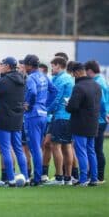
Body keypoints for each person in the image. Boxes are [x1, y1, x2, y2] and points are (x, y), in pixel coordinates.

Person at [0, 57, 28, 187]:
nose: (0, 66)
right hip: (18, 119)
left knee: (5, 149)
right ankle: (26, 178)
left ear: (7, 66)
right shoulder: (23, 79)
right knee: (18, 149)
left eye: (2, 64)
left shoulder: (3, 81)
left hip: (3, 118)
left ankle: (11, 179)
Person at [23, 54, 57, 186]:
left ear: (29, 66)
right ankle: (39, 175)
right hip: (43, 115)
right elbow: (54, 91)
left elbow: (32, 92)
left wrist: (28, 104)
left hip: (33, 115)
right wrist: (46, 105)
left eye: (25, 64)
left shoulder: (31, 77)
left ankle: (37, 179)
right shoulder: (43, 75)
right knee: (38, 147)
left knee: (35, 147)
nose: (24, 67)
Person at [66, 62, 101, 186]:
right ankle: (94, 179)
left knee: (81, 151)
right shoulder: (96, 85)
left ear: (76, 73)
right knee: (91, 151)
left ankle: (83, 179)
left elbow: (73, 107)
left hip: (80, 123)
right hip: (93, 122)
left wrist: (67, 105)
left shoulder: (79, 87)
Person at [45, 57, 74, 186]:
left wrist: (46, 111)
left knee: (55, 146)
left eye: (53, 66)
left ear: (58, 66)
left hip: (60, 116)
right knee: (67, 146)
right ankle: (68, 178)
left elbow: (56, 99)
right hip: (69, 117)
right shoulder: (69, 78)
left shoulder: (61, 79)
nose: (52, 69)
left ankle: (59, 177)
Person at [85, 60, 108, 184]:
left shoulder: (97, 83)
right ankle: (95, 175)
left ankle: (99, 176)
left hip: (98, 119)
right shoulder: (101, 80)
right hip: (100, 118)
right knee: (95, 148)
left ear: (89, 70)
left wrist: (104, 115)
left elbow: (102, 102)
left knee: (96, 149)